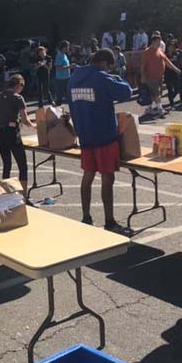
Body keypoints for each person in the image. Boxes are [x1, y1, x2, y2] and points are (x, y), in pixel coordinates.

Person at [68, 49, 132, 234]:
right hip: (104, 135)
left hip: (85, 135)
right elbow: (126, 92)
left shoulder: (74, 79)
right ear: (104, 63)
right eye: (108, 65)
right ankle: (110, 221)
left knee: (88, 175)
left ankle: (86, 216)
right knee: (107, 177)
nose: (108, 69)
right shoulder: (102, 78)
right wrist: (116, 77)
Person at [0, 74, 35, 190]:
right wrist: (34, 126)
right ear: (19, 85)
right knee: (22, 166)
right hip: (12, 133)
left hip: (0, 132)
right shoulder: (18, 98)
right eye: (23, 86)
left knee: (7, 164)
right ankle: (23, 195)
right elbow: (25, 120)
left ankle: (5, 193)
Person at [141, 34, 181, 116]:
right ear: (153, 41)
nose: (160, 43)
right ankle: (160, 109)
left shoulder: (159, 50)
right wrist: (143, 76)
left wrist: (175, 68)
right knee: (156, 93)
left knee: (154, 94)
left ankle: (149, 108)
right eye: (158, 41)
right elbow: (143, 65)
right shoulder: (147, 52)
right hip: (151, 76)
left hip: (160, 76)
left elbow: (166, 61)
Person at [164, 40, 182, 107]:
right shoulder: (164, 54)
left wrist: (180, 50)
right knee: (170, 89)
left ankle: (171, 98)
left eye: (172, 47)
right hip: (167, 73)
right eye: (170, 47)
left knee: (177, 88)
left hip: (175, 73)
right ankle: (171, 103)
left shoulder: (177, 53)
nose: (171, 48)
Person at [54, 40, 71, 105]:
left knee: (68, 96)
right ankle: (56, 113)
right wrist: (69, 67)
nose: (68, 48)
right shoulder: (59, 55)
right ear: (64, 47)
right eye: (68, 47)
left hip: (66, 78)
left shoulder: (64, 55)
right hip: (61, 79)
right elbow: (58, 68)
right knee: (59, 97)